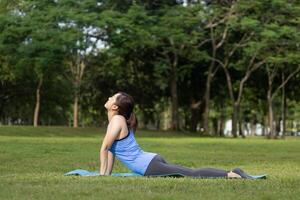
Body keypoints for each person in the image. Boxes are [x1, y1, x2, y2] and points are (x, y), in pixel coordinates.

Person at [99, 92, 249, 178]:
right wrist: (106, 174)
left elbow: (104, 148)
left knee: (191, 174)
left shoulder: (117, 120)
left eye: (112, 97)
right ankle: (231, 173)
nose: (108, 98)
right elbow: (111, 149)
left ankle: (231, 174)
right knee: (189, 172)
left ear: (114, 107)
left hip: (149, 166)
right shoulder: (118, 121)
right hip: (151, 160)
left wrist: (101, 175)